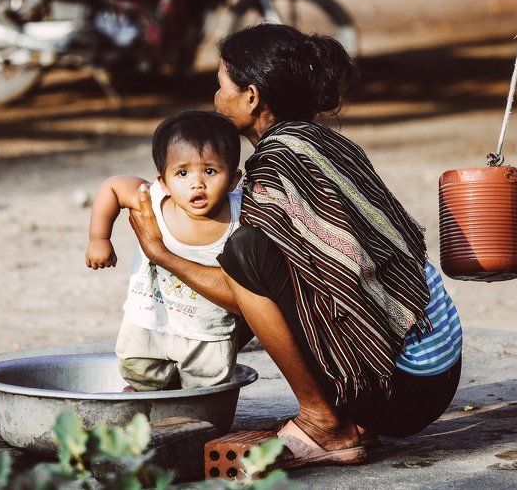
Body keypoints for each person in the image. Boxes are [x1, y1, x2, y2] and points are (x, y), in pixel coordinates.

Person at [126, 24, 462, 468]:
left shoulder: (276, 166)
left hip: (400, 383)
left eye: (221, 85)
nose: (215, 98)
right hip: (437, 363)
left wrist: (160, 253)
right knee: (257, 259)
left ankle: (326, 422)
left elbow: (246, 296)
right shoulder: (325, 143)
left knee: (242, 254)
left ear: (251, 97)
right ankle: (346, 417)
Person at [86, 110, 244, 391]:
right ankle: (143, 393)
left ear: (233, 178)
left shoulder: (240, 213)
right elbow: (112, 187)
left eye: (210, 171)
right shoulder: (153, 199)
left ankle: (192, 408)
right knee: (138, 368)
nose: (197, 183)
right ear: (164, 181)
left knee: (207, 384)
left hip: (206, 330)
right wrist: (99, 238)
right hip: (150, 319)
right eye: (182, 173)